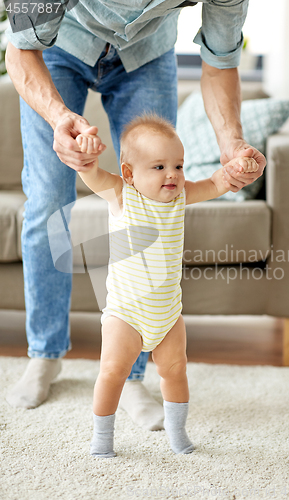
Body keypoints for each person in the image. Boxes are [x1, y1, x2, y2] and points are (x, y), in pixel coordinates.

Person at [4, 0, 266, 426]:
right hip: (56, 46)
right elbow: (20, 47)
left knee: (155, 211)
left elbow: (220, 63)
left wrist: (233, 145)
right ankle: (45, 354)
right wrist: (59, 117)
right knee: (49, 201)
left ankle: (131, 375)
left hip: (146, 53)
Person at [75, 114, 258, 457]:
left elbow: (218, 183)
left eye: (178, 165)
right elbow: (91, 176)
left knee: (175, 371)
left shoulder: (179, 196)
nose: (172, 174)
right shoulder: (122, 195)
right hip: (125, 313)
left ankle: (177, 432)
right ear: (130, 173)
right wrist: (85, 157)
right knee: (113, 372)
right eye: (158, 167)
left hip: (168, 313)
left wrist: (236, 167)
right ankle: (101, 439)